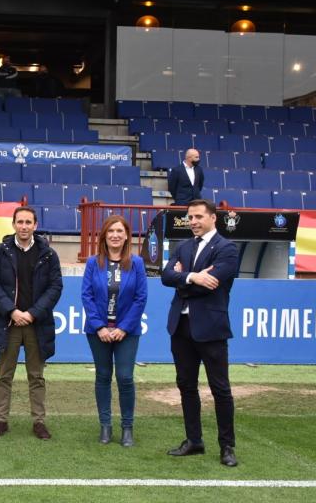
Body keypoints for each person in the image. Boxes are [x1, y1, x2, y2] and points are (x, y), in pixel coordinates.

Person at [161, 199, 240, 467]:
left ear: (212, 218)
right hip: (181, 328)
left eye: (197, 217)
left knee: (220, 389)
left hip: (211, 329)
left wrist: (183, 279)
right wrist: (194, 277)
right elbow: (165, 275)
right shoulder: (183, 246)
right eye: (189, 217)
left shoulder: (227, 249)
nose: (192, 221)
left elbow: (213, 284)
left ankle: (227, 446)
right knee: (186, 385)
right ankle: (194, 440)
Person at [0, 206, 62, 440]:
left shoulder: (48, 253)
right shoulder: (1, 251)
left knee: (36, 376)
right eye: (20, 222)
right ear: (13, 224)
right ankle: (1, 421)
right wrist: (12, 311)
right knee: (4, 375)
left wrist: (33, 313)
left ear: (35, 225)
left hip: (36, 323)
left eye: (29, 222)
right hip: (8, 322)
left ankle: (38, 422)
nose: (24, 226)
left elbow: (55, 287)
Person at [81, 215, 147, 447]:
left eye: (120, 231)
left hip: (126, 332)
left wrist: (123, 328)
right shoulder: (93, 262)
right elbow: (86, 296)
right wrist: (99, 326)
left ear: (127, 235)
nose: (115, 235)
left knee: (125, 377)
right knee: (103, 376)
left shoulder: (137, 263)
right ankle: (105, 426)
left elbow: (141, 299)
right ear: (104, 236)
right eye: (111, 231)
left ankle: (127, 427)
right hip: (98, 331)